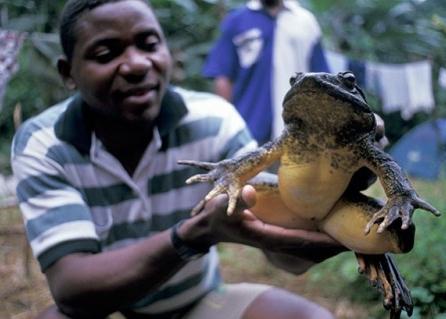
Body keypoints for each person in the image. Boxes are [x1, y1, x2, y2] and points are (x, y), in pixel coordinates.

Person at [11, 0, 344, 318]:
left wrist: (332, 189)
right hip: (101, 309)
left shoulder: (214, 122)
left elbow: (286, 256)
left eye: (149, 44)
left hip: (197, 304)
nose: (138, 64)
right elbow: (73, 291)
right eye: (106, 53)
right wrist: (193, 235)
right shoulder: (44, 144)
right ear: (68, 72)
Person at [203, 0, 330, 145]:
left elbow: (321, 81)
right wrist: (225, 127)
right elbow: (223, 77)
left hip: (297, 131)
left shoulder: (305, 22)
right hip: (247, 129)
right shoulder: (237, 20)